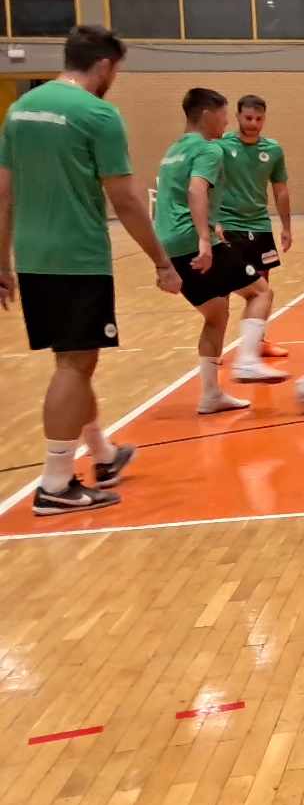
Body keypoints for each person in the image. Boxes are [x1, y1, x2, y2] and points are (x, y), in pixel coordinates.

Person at [0, 26, 178, 515]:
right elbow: (124, 198)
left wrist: (2, 261)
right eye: (116, 71)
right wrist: (161, 261)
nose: (114, 79)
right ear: (104, 66)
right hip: (76, 256)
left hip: (34, 257)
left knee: (76, 360)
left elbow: (4, 193)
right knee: (74, 365)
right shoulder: (98, 114)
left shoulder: (20, 111)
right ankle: (55, 484)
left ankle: (102, 454)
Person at [153, 88, 289, 416]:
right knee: (260, 292)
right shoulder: (208, 150)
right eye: (224, 114)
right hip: (193, 240)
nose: (226, 121)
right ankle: (247, 361)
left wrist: (161, 262)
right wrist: (204, 238)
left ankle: (211, 395)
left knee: (216, 315)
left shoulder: (173, 151)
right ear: (206, 114)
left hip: (169, 245)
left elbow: (162, 200)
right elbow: (196, 189)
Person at [214, 94, 293, 363]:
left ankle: (257, 342)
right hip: (229, 225)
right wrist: (214, 222)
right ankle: (217, 347)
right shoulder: (222, 146)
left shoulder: (273, 150)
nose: (253, 123)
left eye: (258, 119)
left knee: (263, 286)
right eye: (248, 118)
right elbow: (207, 184)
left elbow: (280, 190)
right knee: (223, 286)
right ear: (237, 117)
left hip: (259, 226)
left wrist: (286, 226)